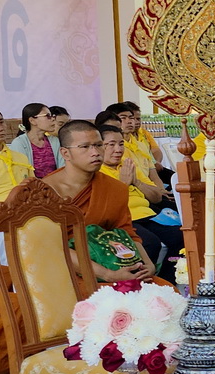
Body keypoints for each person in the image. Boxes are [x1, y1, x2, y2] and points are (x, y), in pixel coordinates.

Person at [40, 120, 155, 282]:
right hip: (63, 271)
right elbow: (51, 246)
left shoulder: (114, 188)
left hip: (108, 261)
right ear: (65, 153)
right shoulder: (45, 191)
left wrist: (148, 265)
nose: (95, 152)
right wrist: (108, 275)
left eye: (99, 145)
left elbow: (126, 232)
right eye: (85, 147)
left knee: (161, 290)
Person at [100, 121, 181, 275]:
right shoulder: (97, 171)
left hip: (147, 214)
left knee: (182, 236)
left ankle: (167, 280)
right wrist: (124, 184)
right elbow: (108, 207)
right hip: (125, 218)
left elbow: (156, 198)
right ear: (98, 146)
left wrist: (136, 182)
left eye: (121, 144)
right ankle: (137, 283)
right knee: (150, 243)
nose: (118, 150)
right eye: (111, 145)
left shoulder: (127, 165)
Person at [9, 103, 61, 178]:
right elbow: (21, 174)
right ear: (32, 121)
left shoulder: (55, 141)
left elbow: (63, 168)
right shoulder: (19, 143)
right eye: (47, 116)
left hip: (55, 185)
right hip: (31, 187)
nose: (53, 119)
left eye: (52, 116)